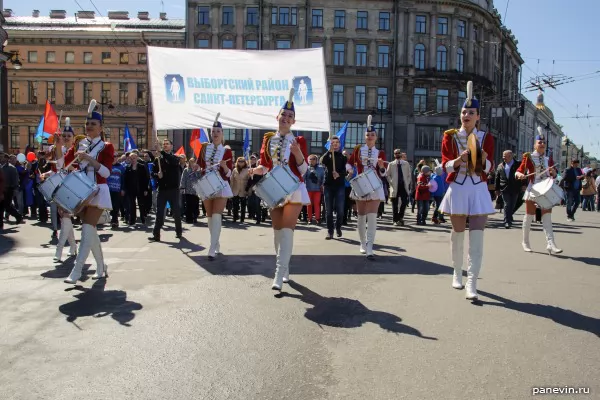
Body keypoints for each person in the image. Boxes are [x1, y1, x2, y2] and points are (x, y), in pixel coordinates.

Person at [438, 81, 495, 300]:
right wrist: (458, 159)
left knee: (477, 237)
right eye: (464, 111)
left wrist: (481, 159)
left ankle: (472, 281)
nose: (466, 115)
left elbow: (488, 169)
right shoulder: (450, 136)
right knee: (457, 235)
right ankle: (457, 272)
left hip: (478, 188)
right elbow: (444, 165)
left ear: (478, 116)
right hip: (458, 188)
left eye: (471, 112)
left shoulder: (486, 137)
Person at [249, 88, 309, 291]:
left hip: (294, 188)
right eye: (283, 114)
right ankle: (284, 268)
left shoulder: (298, 141)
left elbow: (304, 169)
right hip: (274, 188)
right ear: (277, 117)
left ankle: (278, 274)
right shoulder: (268, 140)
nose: (286, 117)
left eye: (290, 116)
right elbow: (266, 165)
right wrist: (254, 170)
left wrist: (298, 153)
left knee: (286, 230)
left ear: (293, 121)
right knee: (276, 232)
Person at [57, 100, 114, 284]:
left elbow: (106, 172)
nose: (89, 127)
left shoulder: (106, 146)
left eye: (93, 124)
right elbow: (62, 166)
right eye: (87, 124)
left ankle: (77, 269)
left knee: (87, 230)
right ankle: (101, 266)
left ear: (100, 127)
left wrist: (90, 159)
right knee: (91, 233)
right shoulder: (79, 144)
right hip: (81, 193)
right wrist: (58, 146)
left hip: (99, 191)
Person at [345, 115, 386, 259]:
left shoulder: (380, 153)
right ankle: (362, 243)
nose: (370, 136)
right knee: (361, 216)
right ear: (364, 136)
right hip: (361, 185)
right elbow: (349, 163)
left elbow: (383, 173)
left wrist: (381, 166)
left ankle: (370, 246)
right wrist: (350, 170)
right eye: (367, 134)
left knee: (372, 217)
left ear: (376, 137)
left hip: (375, 186)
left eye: (372, 135)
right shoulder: (357, 150)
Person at [516, 128, 562, 254]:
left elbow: (554, 175)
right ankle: (525, 242)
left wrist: (554, 173)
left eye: (543, 143)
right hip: (534, 189)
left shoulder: (548, 159)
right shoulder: (528, 157)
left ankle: (551, 243)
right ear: (535, 145)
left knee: (547, 216)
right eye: (539, 142)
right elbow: (519, 170)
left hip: (546, 189)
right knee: (529, 216)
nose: (542, 144)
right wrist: (519, 175)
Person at [198, 113, 234, 260]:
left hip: (220, 184)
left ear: (222, 133)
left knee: (217, 215)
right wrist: (196, 167)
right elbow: (201, 166)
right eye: (213, 131)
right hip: (206, 183)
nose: (215, 134)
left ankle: (212, 247)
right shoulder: (204, 148)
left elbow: (230, 173)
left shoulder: (226, 151)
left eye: (218, 131)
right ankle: (216, 241)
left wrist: (224, 167)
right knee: (209, 216)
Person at [47, 118, 78, 261]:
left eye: (69, 136)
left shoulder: (76, 151)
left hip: (73, 187)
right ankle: (73, 246)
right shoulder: (57, 150)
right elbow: (58, 167)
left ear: (73, 138)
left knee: (65, 216)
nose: (66, 138)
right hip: (60, 186)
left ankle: (59, 249)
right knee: (65, 217)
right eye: (64, 136)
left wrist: (71, 167)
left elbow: (77, 168)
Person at [149, 137, 183, 242]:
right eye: (164, 144)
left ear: (171, 146)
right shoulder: (158, 159)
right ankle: (156, 234)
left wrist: (161, 151)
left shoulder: (175, 157)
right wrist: (157, 175)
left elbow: (173, 162)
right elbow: (152, 173)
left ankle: (178, 231)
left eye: (167, 144)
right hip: (162, 190)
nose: (165, 145)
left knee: (176, 212)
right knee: (159, 212)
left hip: (173, 190)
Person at [319, 136, 347, 239]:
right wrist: (328, 152)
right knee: (328, 210)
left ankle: (338, 227)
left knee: (340, 210)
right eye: (333, 142)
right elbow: (322, 161)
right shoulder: (328, 155)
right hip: (328, 185)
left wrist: (338, 174)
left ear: (339, 144)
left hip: (339, 186)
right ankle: (330, 231)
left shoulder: (343, 157)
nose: (335, 144)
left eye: (337, 142)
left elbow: (345, 171)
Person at [495, 150, 522, 228]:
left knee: (513, 205)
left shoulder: (518, 164)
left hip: (515, 187)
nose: (504, 158)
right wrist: (497, 189)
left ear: (510, 156)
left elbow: (523, 174)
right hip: (504, 188)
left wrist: (524, 185)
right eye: (503, 157)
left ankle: (509, 216)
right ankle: (507, 221)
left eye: (505, 157)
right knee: (507, 204)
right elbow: (497, 178)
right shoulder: (501, 165)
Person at [386, 148, 411, 226]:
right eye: (395, 153)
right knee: (395, 204)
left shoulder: (405, 163)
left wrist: (407, 182)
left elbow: (409, 175)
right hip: (394, 186)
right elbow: (387, 175)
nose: (397, 154)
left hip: (403, 186)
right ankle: (395, 220)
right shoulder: (391, 164)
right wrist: (391, 182)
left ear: (401, 154)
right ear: (394, 155)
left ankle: (400, 216)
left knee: (404, 202)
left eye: (398, 153)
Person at [231, 157, 250, 223]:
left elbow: (249, 180)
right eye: (239, 161)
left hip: (243, 189)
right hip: (235, 189)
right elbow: (232, 180)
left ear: (245, 162)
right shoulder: (234, 170)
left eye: (242, 161)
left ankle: (242, 218)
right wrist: (230, 189)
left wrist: (247, 190)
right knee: (235, 205)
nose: (241, 162)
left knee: (243, 205)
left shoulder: (247, 170)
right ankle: (235, 217)